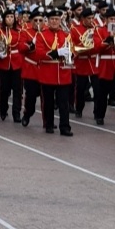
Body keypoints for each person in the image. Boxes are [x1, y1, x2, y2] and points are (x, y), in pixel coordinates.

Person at [33, 8, 73, 136]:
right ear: (48, 21)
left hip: (63, 72)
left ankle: (65, 127)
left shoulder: (66, 35)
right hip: (48, 72)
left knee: (64, 103)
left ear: (60, 20)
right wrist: (56, 53)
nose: (55, 22)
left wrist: (71, 54)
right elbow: (38, 54)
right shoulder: (41, 35)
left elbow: (73, 51)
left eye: (57, 19)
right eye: (52, 19)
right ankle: (49, 124)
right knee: (48, 102)